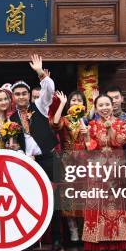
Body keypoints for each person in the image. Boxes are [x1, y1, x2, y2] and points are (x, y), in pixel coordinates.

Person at [9, 54, 60, 247]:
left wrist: (40, 72)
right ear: (13, 97)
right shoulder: (11, 119)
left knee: (53, 200)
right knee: (28, 199)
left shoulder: (40, 106)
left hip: (47, 158)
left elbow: (49, 90)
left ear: (29, 95)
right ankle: (29, 240)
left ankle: (55, 238)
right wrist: (22, 155)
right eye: (17, 94)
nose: (21, 97)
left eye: (24, 93)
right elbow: (13, 144)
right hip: (26, 162)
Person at [82, 94, 126, 251]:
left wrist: (110, 129)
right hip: (97, 166)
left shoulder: (121, 124)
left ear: (112, 105)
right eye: (100, 105)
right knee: (97, 202)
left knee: (116, 203)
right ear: (95, 108)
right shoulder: (91, 124)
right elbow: (89, 146)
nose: (104, 108)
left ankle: (117, 241)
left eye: (107, 104)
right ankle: (97, 242)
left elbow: (120, 142)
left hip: (116, 166)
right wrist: (87, 135)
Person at [51, 90, 88, 242]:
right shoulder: (65, 120)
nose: (76, 103)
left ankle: (83, 230)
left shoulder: (87, 119)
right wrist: (61, 104)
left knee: (83, 196)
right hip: (67, 161)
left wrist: (86, 130)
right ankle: (72, 230)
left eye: (80, 100)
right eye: (73, 100)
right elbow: (54, 124)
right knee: (67, 196)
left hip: (84, 160)